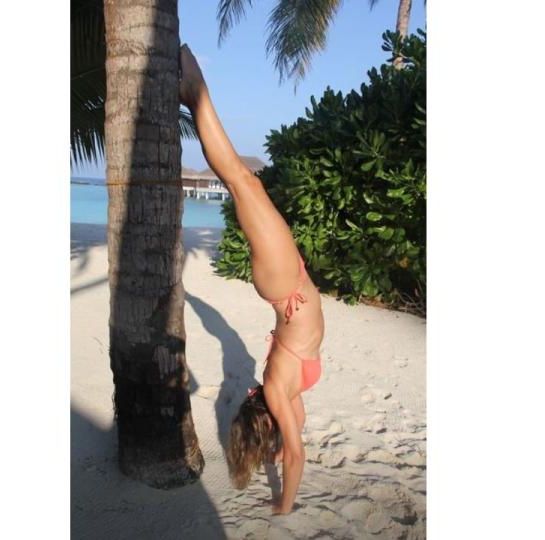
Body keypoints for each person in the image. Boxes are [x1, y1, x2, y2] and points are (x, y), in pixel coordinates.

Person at [180, 44, 325, 515]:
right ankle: (193, 88)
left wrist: (284, 470)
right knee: (243, 180)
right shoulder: (282, 394)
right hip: (288, 286)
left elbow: (294, 433)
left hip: (286, 285)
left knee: (244, 180)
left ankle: (193, 91)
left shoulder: (279, 387)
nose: (288, 426)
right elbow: (296, 445)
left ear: (267, 420)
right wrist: (284, 500)